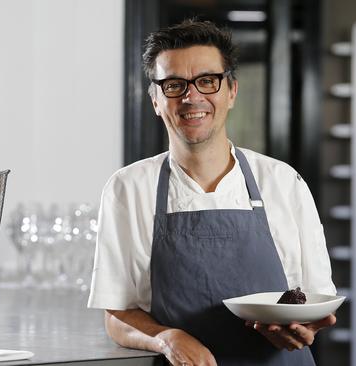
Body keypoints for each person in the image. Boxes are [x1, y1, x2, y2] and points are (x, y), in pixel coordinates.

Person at [88, 19, 336, 366]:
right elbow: (116, 316)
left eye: (207, 81)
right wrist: (166, 338)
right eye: (174, 85)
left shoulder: (283, 182)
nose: (192, 97)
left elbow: (316, 300)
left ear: (231, 91)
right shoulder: (127, 189)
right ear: (155, 100)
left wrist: (300, 326)